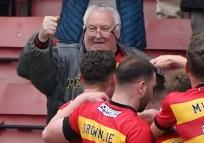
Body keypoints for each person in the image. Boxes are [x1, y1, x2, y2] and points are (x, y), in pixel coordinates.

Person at [17, 9, 147, 121]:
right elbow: (28, 70)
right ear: (84, 30)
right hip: (69, 137)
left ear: (117, 31)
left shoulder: (138, 60)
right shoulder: (63, 56)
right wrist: (41, 40)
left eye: (104, 29)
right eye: (92, 28)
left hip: (120, 136)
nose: (97, 35)